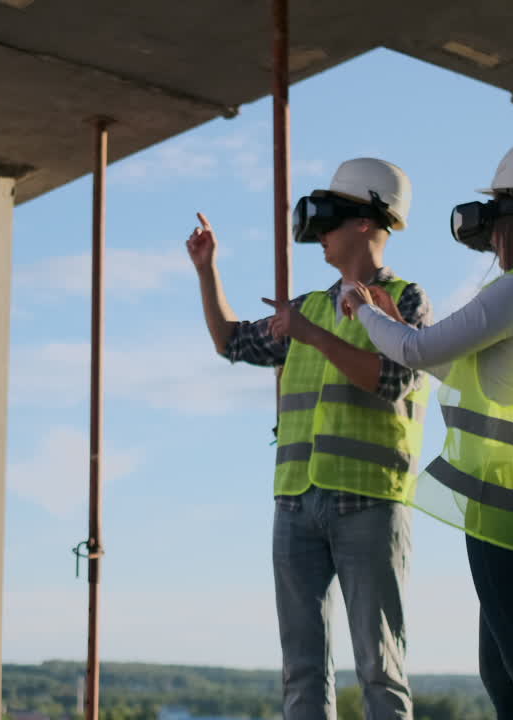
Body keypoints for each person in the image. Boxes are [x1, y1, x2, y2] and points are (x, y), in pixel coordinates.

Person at [341, 138, 513, 719]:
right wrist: (386, 315)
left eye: (497, 205)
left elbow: (413, 348)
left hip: (503, 506)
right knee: (505, 671)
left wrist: (364, 310)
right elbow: (453, 362)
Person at [188, 158, 433, 720]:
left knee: (379, 669)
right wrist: (207, 271)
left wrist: (311, 336)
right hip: (296, 502)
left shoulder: (406, 299)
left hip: (368, 501)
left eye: (332, 221)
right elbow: (231, 342)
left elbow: (392, 379)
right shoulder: (310, 306)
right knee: (301, 671)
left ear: (368, 222)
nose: (320, 234)